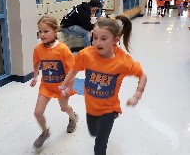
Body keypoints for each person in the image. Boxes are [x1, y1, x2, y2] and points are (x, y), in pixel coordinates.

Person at [59, 16, 147, 155]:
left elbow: (142, 76)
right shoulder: (86, 54)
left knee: (100, 143)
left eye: (104, 38)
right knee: (93, 130)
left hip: (109, 108)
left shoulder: (122, 62)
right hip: (91, 105)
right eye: (95, 37)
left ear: (115, 40)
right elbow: (74, 70)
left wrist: (137, 94)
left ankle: (112, 116)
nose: (97, 42)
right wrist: (65, 87)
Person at [30, 16, 78, 148]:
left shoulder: (62, 49)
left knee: (64, 108)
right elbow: (36, 64)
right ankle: (45, 132)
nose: (42, 34)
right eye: (40, 31)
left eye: (46, 31)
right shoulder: (38, 49)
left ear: (55, 31)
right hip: (46, 86)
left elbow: (72, 71)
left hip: (61, 87)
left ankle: (73, 117)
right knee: (37, 112)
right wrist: (35, 77)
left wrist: (68, 87)